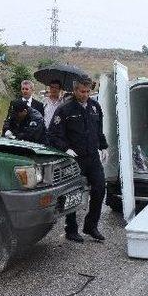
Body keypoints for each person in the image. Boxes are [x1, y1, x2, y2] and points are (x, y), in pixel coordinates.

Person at [48, 75, 109, 242]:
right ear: (75, 90)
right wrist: (65, 148)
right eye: (82, 91)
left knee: (99, 189)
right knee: (73, 193)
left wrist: (103, 146)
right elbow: (53, 134)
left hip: (92, 156)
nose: (85, 94)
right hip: (74, 158)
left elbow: (99, 130)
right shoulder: (65, 109)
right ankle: (71, 228)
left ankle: (91, 226)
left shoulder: (95, 107)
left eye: (88, 91)